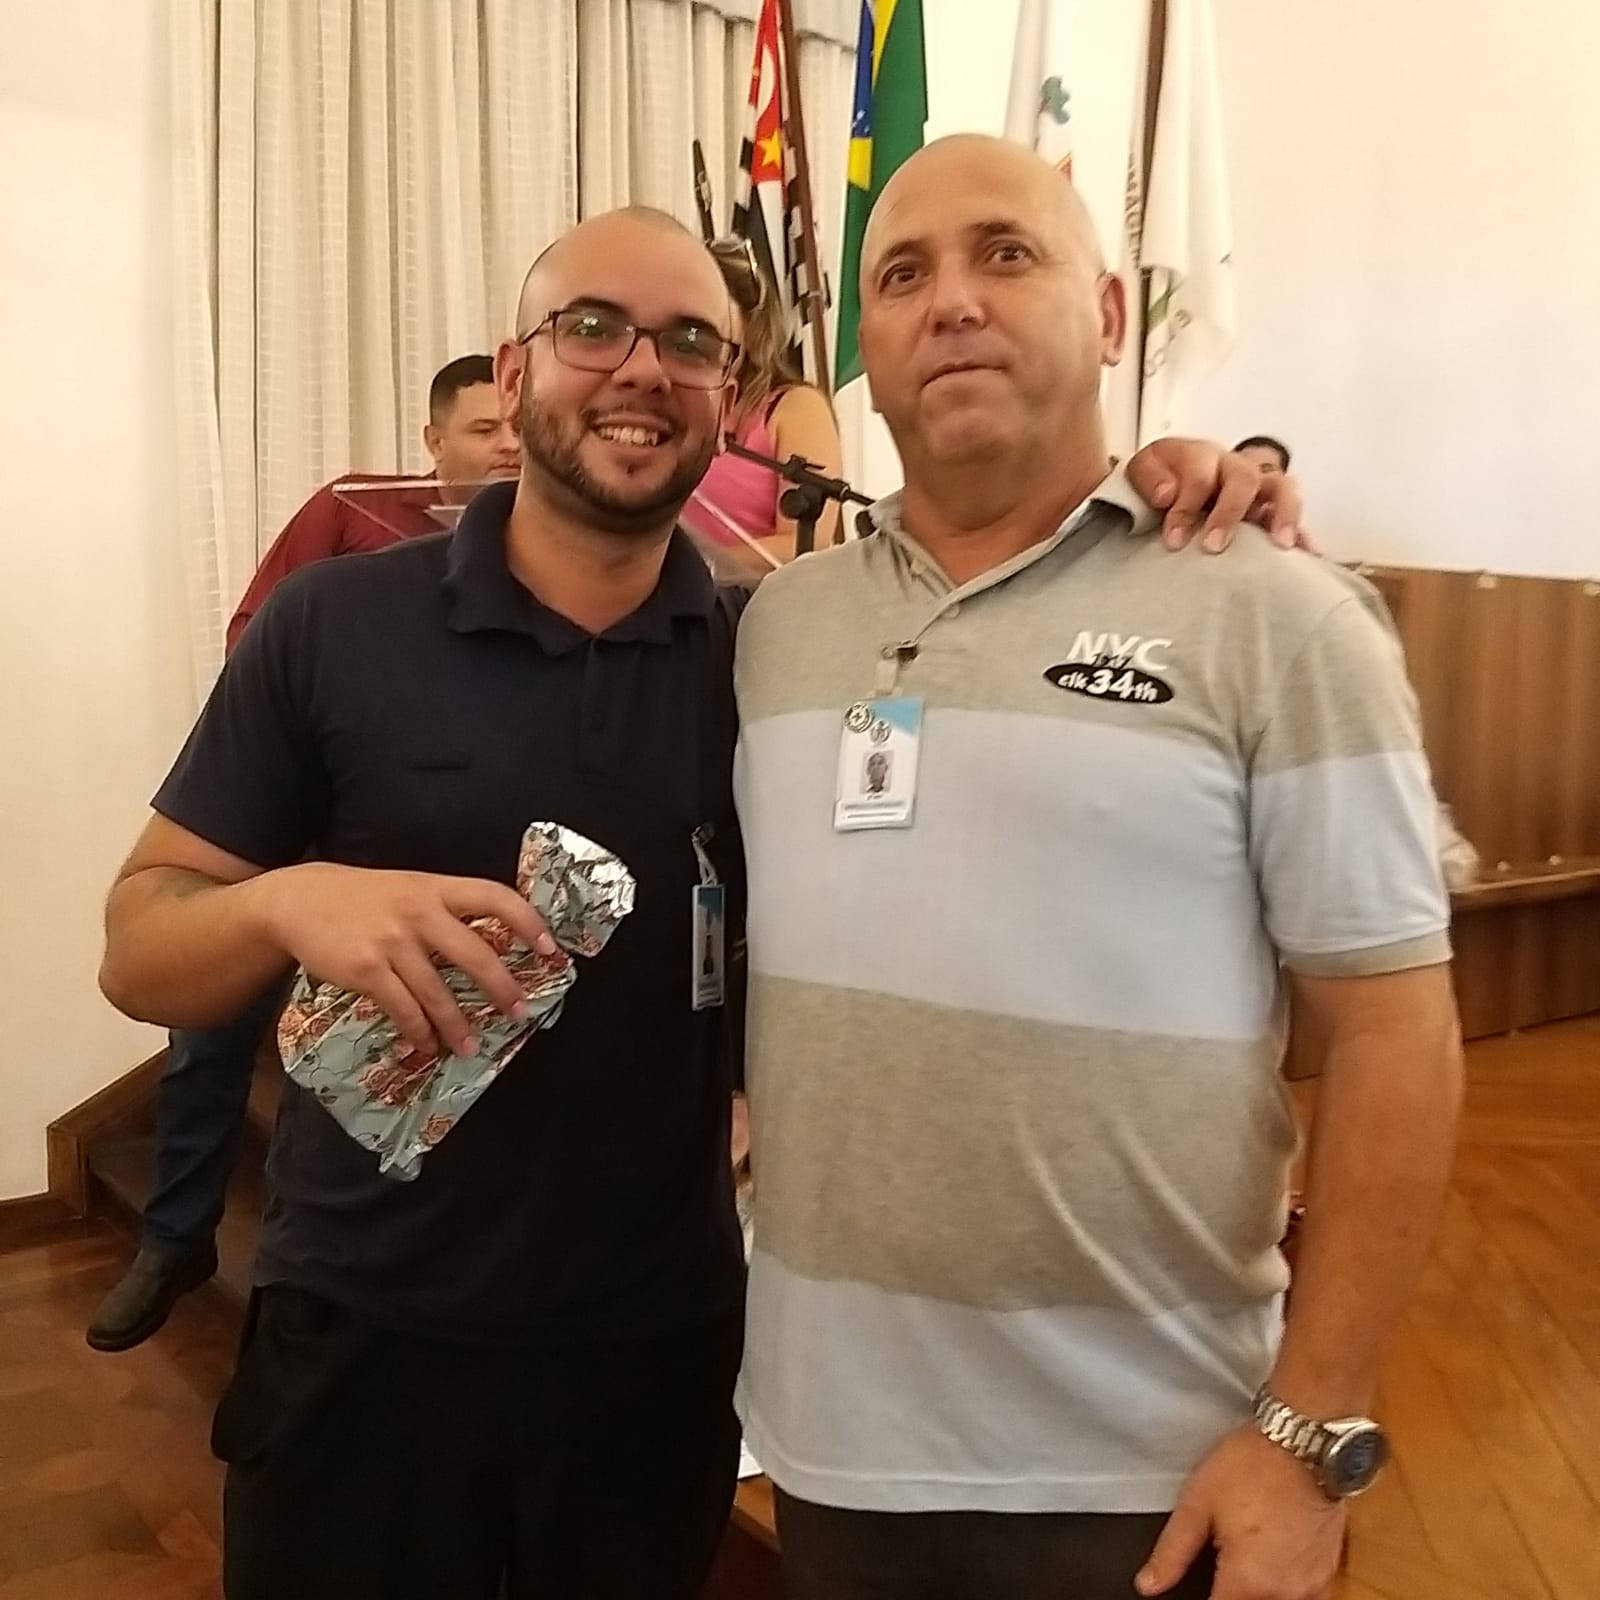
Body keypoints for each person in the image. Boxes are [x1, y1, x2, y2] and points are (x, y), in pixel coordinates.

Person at [98, 202, 1306, 1592]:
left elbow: (993, 598)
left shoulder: (782, 649)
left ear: (729, 400)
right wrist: (289, 904)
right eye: (592, 327)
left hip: (656, 1358)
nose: (640, 368)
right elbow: (138, 950)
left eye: (689, 342)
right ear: (515, 370)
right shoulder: (337, 625)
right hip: (364, 1339)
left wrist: (1153, 495)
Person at [731, 135, 1464, 1600]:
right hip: (829, 1447)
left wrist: (1309, 1434)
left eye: (1006, 253)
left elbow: (1396, 1035)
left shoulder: (1280, 617)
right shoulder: (776, 627)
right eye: (903, 275)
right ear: (867, 345)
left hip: (1150, 1470)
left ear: (1113, 312)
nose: (952, 300)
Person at [85, 354, 519, 1355]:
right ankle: (176, 1234)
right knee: (215, 1019)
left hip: (428, 831)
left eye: (514, 427)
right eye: (481, 428)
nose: (505, 444)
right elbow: (256, 635)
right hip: (307, 811)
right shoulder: (351, 512)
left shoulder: (540, 546)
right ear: (433, 442)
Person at [680, 236, 845, 574]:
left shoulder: (795, 406)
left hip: (757, 597)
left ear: (750, 326)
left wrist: (696, 570)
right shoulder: (673, 397)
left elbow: (807, 543)